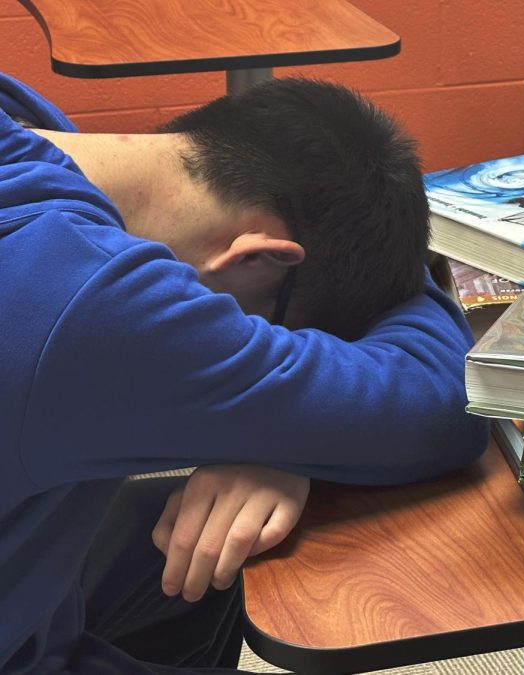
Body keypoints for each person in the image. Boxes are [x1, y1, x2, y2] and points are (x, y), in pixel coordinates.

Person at [0, 72, 489, 674]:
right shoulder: (92, 301)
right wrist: (290, 425)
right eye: (276, 334)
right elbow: (442, 404)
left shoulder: (24, 117)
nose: (254, 345)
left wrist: (277, 430)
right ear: (256, 257)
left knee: (197, 539)